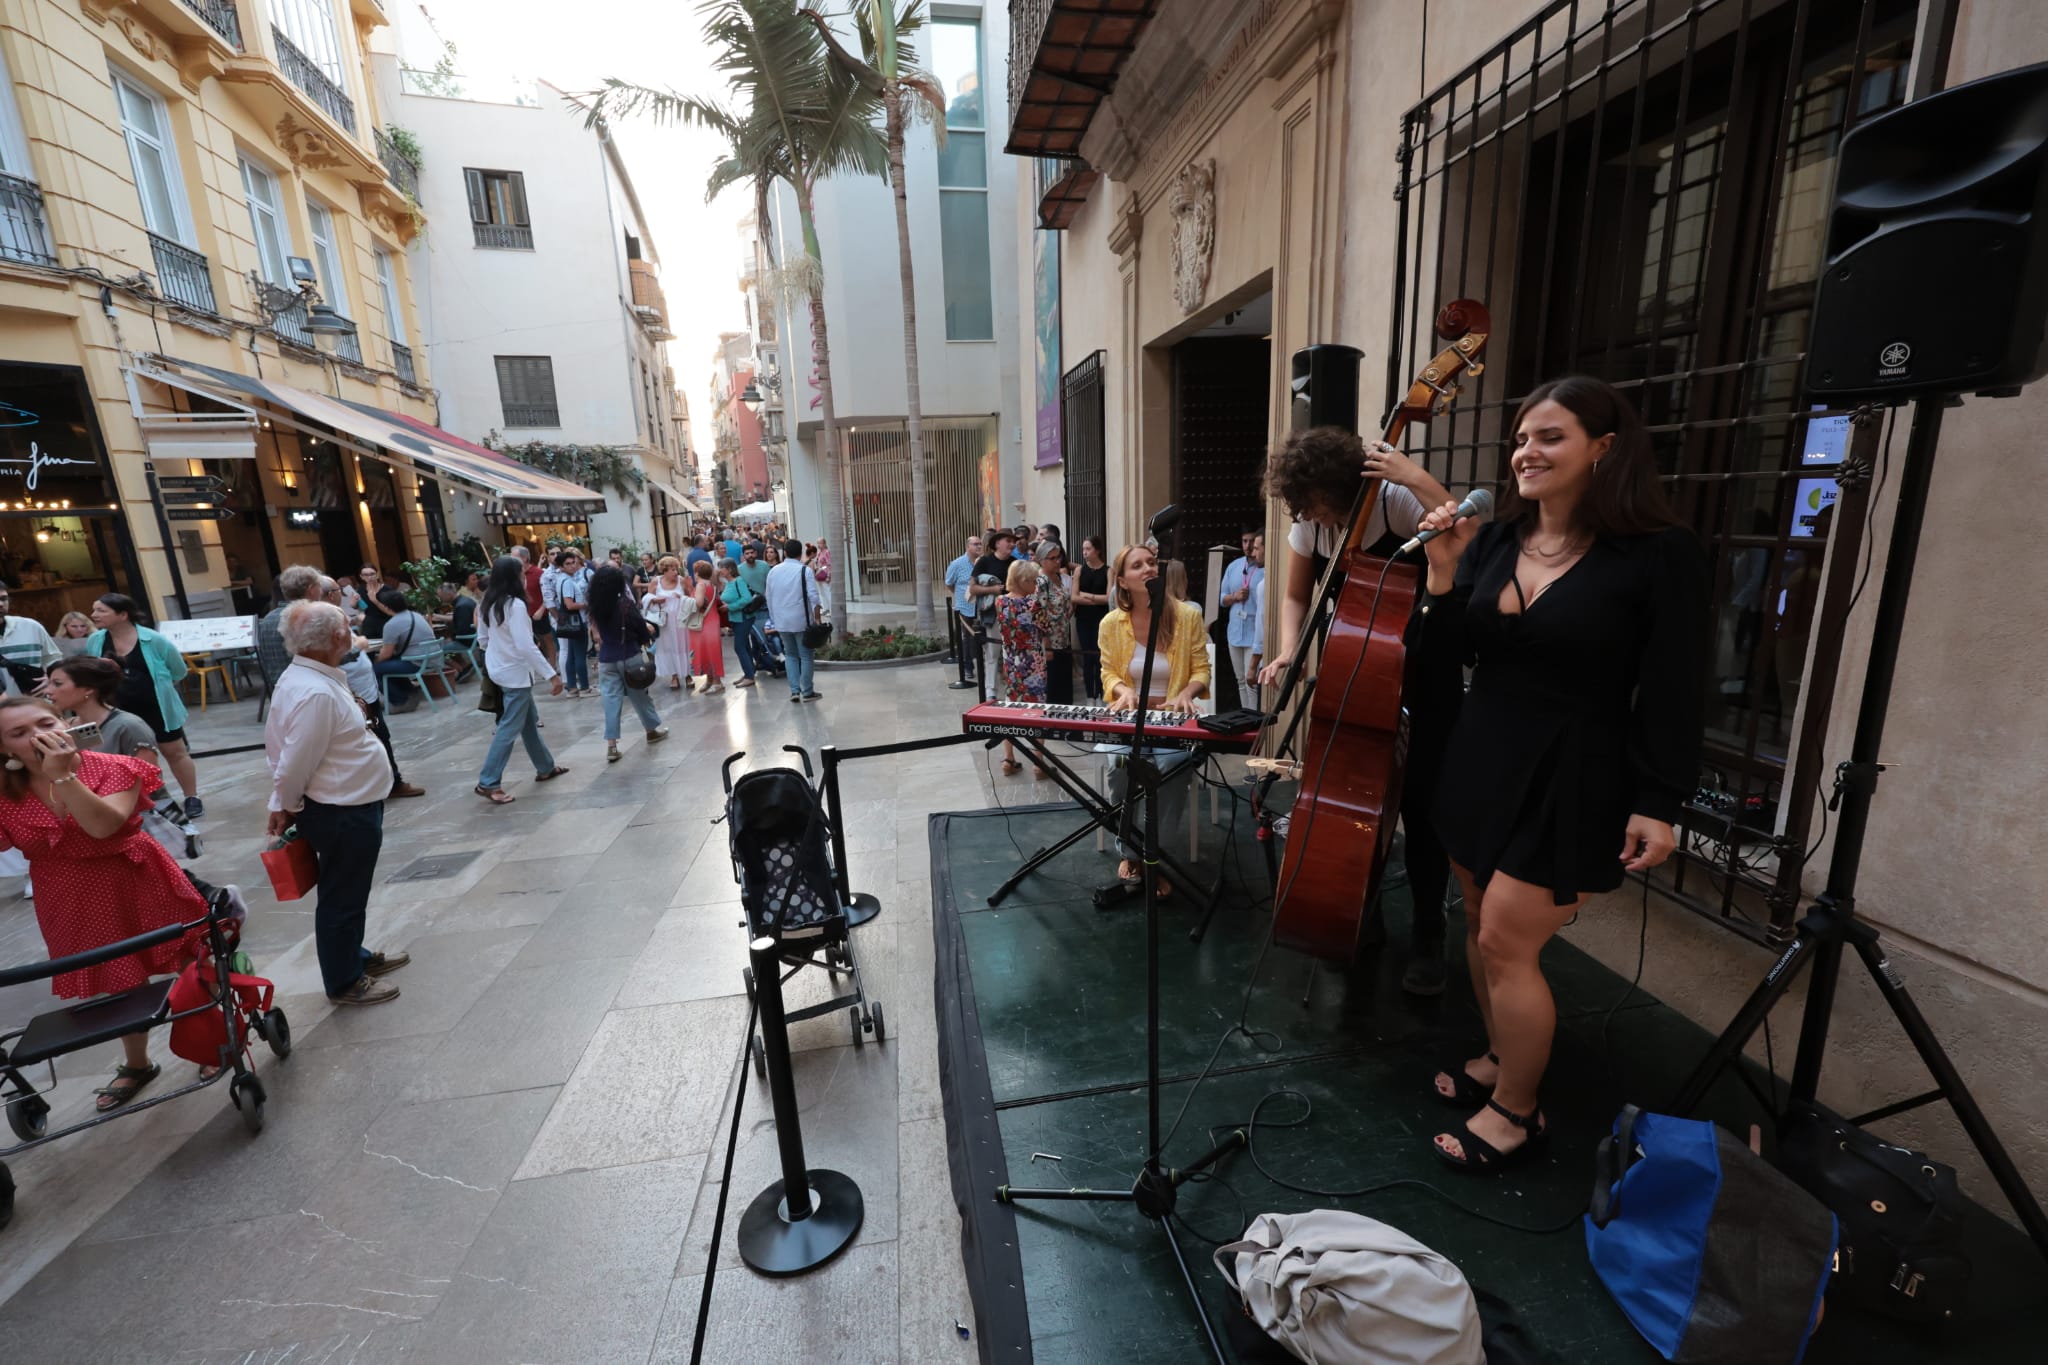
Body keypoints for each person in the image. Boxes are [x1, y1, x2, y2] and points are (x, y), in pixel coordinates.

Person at [1414, 375, 1706, 1171]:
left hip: (1574, 766)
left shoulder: (1658, 553)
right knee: (1476, 918)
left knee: (1508, 935)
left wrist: (1658, 798)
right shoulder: (1501, 539)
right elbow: (1450, 658)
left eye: (1550, 436)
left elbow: (1677, 683)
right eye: (1520, 438)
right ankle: (1504, 1058)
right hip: (1483, 752)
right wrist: (1444, 574)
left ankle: (1516, 1111)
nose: (1526, 452)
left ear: (1603, 449)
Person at [1260, 426, 1460, 996]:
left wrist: (1414, 476)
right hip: (1355, 670)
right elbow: (1297, 595)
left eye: (1313, 501)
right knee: (1355, 804)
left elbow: (1460, 525)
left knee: (1421, 813)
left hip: (1423, 671)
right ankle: (1359, 913)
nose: (1307, 513)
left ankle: (1428, 934)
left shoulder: (1394, 501)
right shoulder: (1311, 523)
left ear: (1340, 486)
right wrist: (1291, 649)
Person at [0, 695, 210, 1107]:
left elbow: (102, 826)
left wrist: (63, 777)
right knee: (115, 980)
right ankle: (137, 1064)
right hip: (67, 895)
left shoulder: (113, 767)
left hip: (136, 876)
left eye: (45, 724)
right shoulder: (6, 794)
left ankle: (213, 1039)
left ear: (66, 723)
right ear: (5, 749)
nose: (39, 737)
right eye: (19, 734)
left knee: (188, 959)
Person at [264, 601, 410, 1007]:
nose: (353, 629)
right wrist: (286, 804)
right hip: (340, 809)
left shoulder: (313, 677)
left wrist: (284, 800)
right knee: (342, 895)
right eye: (348, 625)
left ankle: (353, 957)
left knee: (349, 890)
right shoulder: (313, 692)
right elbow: (292, 761)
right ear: (336, 638)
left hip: (350, 803)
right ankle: (344, 979)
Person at [1094, 544, 1208, 903]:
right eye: (1137, 565)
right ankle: (1131, 853)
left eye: (1151, 563)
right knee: (1120, 765)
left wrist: (1188, 692)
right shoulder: (1111, 623)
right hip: (1130, 720)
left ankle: (1155, 857)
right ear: (1123, 582)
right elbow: (1107, 671)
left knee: (1173, 766)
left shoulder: (1187, 616)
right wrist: (1122, 689)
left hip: (1172, 720)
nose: (1148, 569)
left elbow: (1202, 670)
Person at [85, 594, 201, 818]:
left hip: (156, 707)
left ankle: (192, 797)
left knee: (174, 752)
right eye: (94, 610)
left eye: (101, 610)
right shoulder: (96, 640)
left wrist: (161, 686)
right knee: (132, 759)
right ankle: (153, 802)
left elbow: (179, 670)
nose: (94, 615)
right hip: (116, 709)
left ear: (122, 614)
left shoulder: (154, 640)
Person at [473, 556, 567, 804]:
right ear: (515, 578)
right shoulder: (513, 605)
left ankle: (545, 767)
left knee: (527, 722)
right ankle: (488, 781)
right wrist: (552, 675)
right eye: (522, 574)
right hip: (514, 673)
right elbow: (526, 646)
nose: (525, 578)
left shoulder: (488, 602)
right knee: (509, 728)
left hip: (503, 669)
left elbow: (483, 640)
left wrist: (499, 653)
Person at [321, 578, 424, 801]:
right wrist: (359, 645)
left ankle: (390, 782)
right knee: (367, 736)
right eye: (339, 590)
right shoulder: (324, 619)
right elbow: (337, 654)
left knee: (379, 734)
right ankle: (374, 786)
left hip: (364, 692)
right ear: (331, 594)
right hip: (352, 693)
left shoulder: (336, 615)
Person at [587, 564, 669, 763]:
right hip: (629, 655)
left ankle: (612, 745)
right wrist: (647, 634)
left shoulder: (596, 605)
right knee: (639, 696)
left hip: (607, 659)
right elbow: (640, 628)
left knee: (611, 701)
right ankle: (651, 730)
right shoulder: (624, 604)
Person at [995, 559, 1050, 776]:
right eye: (1034, 581)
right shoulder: (1033, 604)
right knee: (1037, 712)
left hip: (1011, 662)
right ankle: (1039, 763)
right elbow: (1047, 628)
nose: (1036, 585)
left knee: (1011, 709)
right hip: (1033, 665)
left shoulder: (1000, 601)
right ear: (1024, 581)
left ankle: (1008, 759)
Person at [764, 537, 823, 703]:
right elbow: (814, 597)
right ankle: (808, 691)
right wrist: (817, 619)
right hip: (801, 620)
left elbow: (769, 597)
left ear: (785, 553)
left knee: (790, 654)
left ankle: (794, 691)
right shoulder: (805, 571)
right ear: (801, 553)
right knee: (805, 655)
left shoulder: (773, 571)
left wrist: (775, 618)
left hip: (781, 621)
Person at [371, 587, 435, 713]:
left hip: (417, 662)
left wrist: (374, 661)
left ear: (386, 607)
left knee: (373, 670)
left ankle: (400, 701)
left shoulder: (392, 624)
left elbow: (386, 654)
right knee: (389, 665)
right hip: (432, 658)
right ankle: (410, 694)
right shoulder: (416, 615)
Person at [1220, 533, 1265, 709]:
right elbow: (1221, 598)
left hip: (1254, 634)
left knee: (1250, 681)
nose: (1247, 545)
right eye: (1244, 541)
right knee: (1240, 681)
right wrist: (1234, 596)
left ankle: (1251, 722)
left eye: (1252, 542)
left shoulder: (1264, 570)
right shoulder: (1233, 567)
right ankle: (1245, 715)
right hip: (1235, 632)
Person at [1035, 541, 1076, 705]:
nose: (1057, 561)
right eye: (1052, 558)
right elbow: (1039, 613)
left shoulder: (1059, 577)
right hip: (1051, 643)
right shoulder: (1041, 582)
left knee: (1065, 685)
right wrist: (1047, 644)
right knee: (1053, 687)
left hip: (1064, 639)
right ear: (1042, 561)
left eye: (1058, 557)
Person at [645, 556, 693, 690]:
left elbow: (690, 597)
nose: (675, 572)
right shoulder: (656, 582)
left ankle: (688, 674)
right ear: (664, 571)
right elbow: (647, 599)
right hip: (664, 622)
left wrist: (681, 598)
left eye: (676, 569)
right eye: (672, 570)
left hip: (681, 620)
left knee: (684, 646)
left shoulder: (681, 581)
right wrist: (655, 599)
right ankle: (674, 676)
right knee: (668, 647)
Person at [1071, 536, 1111, 701]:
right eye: (1083, 549)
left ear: (1097, 550)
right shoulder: (1080, 570)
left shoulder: (1108, 570)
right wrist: (1096, 599)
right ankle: (1089, 695)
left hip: (1102, 619)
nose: (1085, 553)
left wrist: (1087, 596)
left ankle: (1101, 694)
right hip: (1084, 619)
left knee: (1101, 657)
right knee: (1088, 657)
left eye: (1088, 549)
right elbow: (1074, 597)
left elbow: (1108, 598)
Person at [944, 533, 984, 690]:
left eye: (980, 543)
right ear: (968, 547)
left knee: (981, 635)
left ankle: (982, 663)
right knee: (966, 637)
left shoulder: (983, 562)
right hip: (965, 604)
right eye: (975, 544)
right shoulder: (957, 564)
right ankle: (967, 666)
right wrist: (960, 596)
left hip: (981, 605)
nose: (979, 546)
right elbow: (949, 583)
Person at [0, 589, 59, 695]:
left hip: (35, 701)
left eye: (3, 599)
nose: (1, 604)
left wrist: (51, 678)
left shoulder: (31, 626)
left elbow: (53, 658)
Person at [718, 559, 762, 687]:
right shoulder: (728, 583)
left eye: (722, 568)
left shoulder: (739, 581)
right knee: (745, 646)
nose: (720, 570)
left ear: (729, 569)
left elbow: (747, 599)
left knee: (739, 646)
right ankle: (749, 672)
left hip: (744, 617)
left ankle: (749, 676)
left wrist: (730, 607)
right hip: (735, 619)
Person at [686, 559, 727, 694]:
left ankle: (716, 682)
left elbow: (698, 603)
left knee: (707, 651)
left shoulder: (700, 585)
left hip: (703, 622)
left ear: (697, 572)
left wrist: (684, 599)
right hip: (712, 620)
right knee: (711, 650)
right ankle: (711, 680)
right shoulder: (712, 584)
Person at [515, 545, 558, 669]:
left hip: (539, 614)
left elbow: (549, 594)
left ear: (524, 558)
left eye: (514, 557)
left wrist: (541, 609)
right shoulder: (515, 576)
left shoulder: (538, 573)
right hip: (523, 615)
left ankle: (553, 666)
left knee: (547, 640)